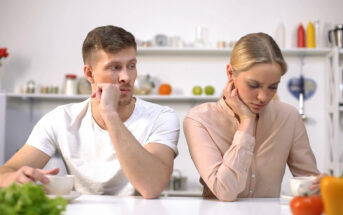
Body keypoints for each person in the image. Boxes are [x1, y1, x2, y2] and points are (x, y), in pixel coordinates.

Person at [0, 25, 180, 198]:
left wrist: (110, 114)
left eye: (131, 66)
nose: (126, 77)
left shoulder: (161, 117)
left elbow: (152, 187)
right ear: (89, 74)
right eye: (115, 67)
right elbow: (5, 173)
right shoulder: (60, 119)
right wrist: (13, 179)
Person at [183, 32, 324, 201]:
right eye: (253, 85)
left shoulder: (289, 117)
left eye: (273, 87)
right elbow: (225, 191)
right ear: (230, 73)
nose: (263, 97)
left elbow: (310, 185)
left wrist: (322, 186)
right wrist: (247, 122)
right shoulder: (199, 120)